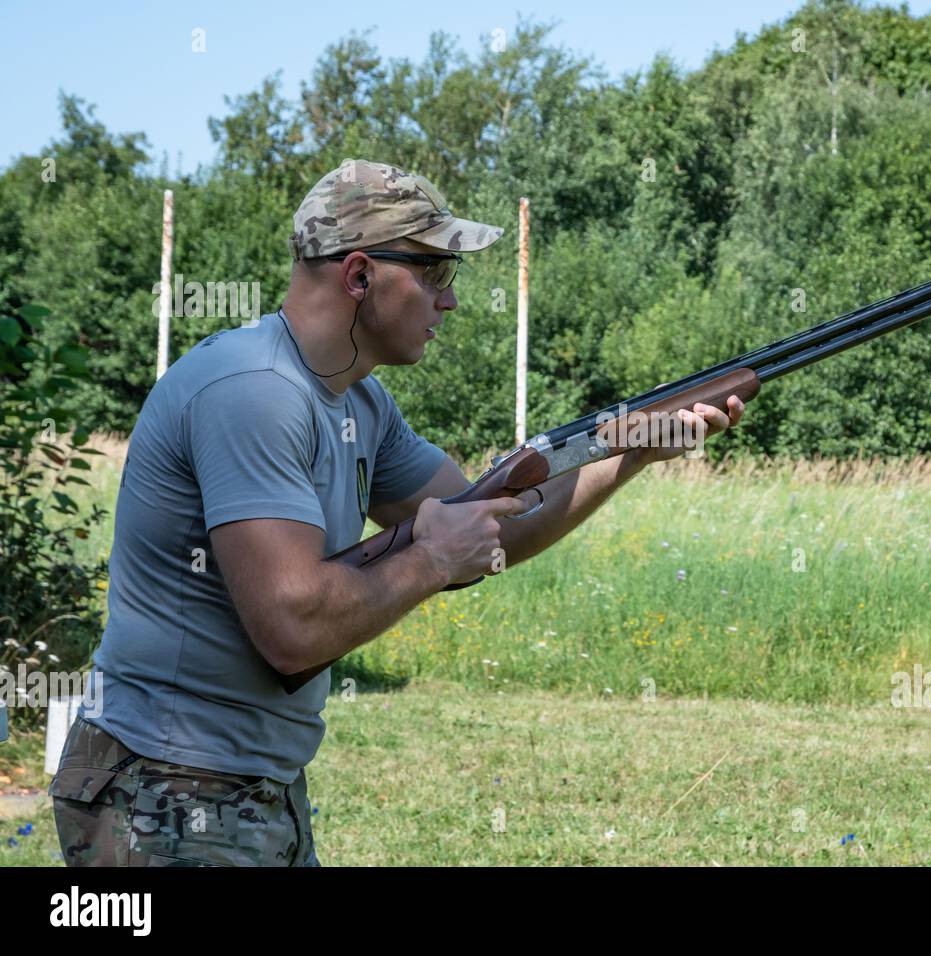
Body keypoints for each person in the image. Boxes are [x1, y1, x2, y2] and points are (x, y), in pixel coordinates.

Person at [48, 159, 746, 866]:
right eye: (437, 272)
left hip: (254, 783)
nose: (450, 301)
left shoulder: (359, 402)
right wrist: (431, 558)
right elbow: (291, 628)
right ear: (359, 275)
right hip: (166, 788)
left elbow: (495, 521)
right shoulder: (252, 393)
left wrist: (628, 452)